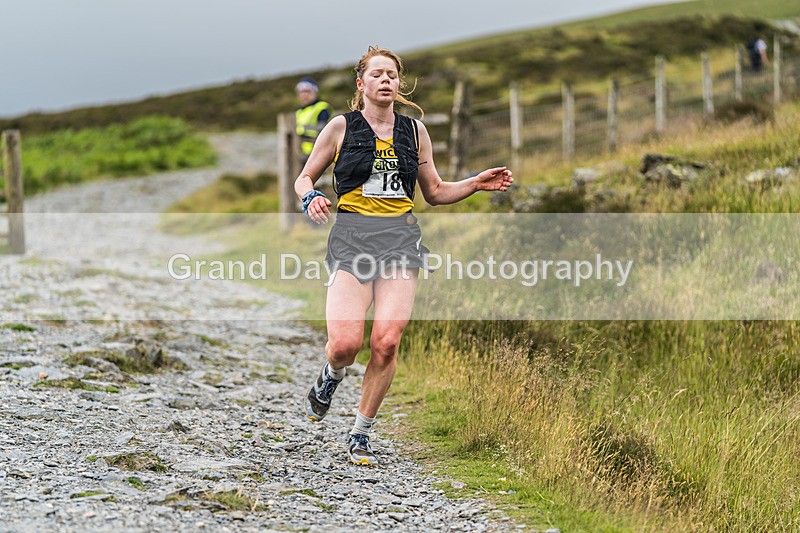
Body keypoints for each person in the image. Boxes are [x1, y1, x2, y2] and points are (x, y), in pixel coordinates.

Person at [293, 46, 513, 465]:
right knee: (343, 344)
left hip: (400, 241)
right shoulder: (340, 127)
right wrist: (311, 199)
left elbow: (434, 192)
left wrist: (475, 183)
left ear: (399, 82)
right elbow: (304, 178)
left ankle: (360, 433)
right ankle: (331, 374)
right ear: (362, 84)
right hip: (352, 240)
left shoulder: (415, 132)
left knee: (387, 342)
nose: (386, 80)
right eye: (377, 74)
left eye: (392, 74)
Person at [295, 77, 333, 166]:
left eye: (307, 91)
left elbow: (324, 130)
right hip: (300, 154)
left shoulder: (322, 107)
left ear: (315, 92)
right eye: (301, 92)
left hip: (317, 153)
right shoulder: (299, 111)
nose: (304, 95)